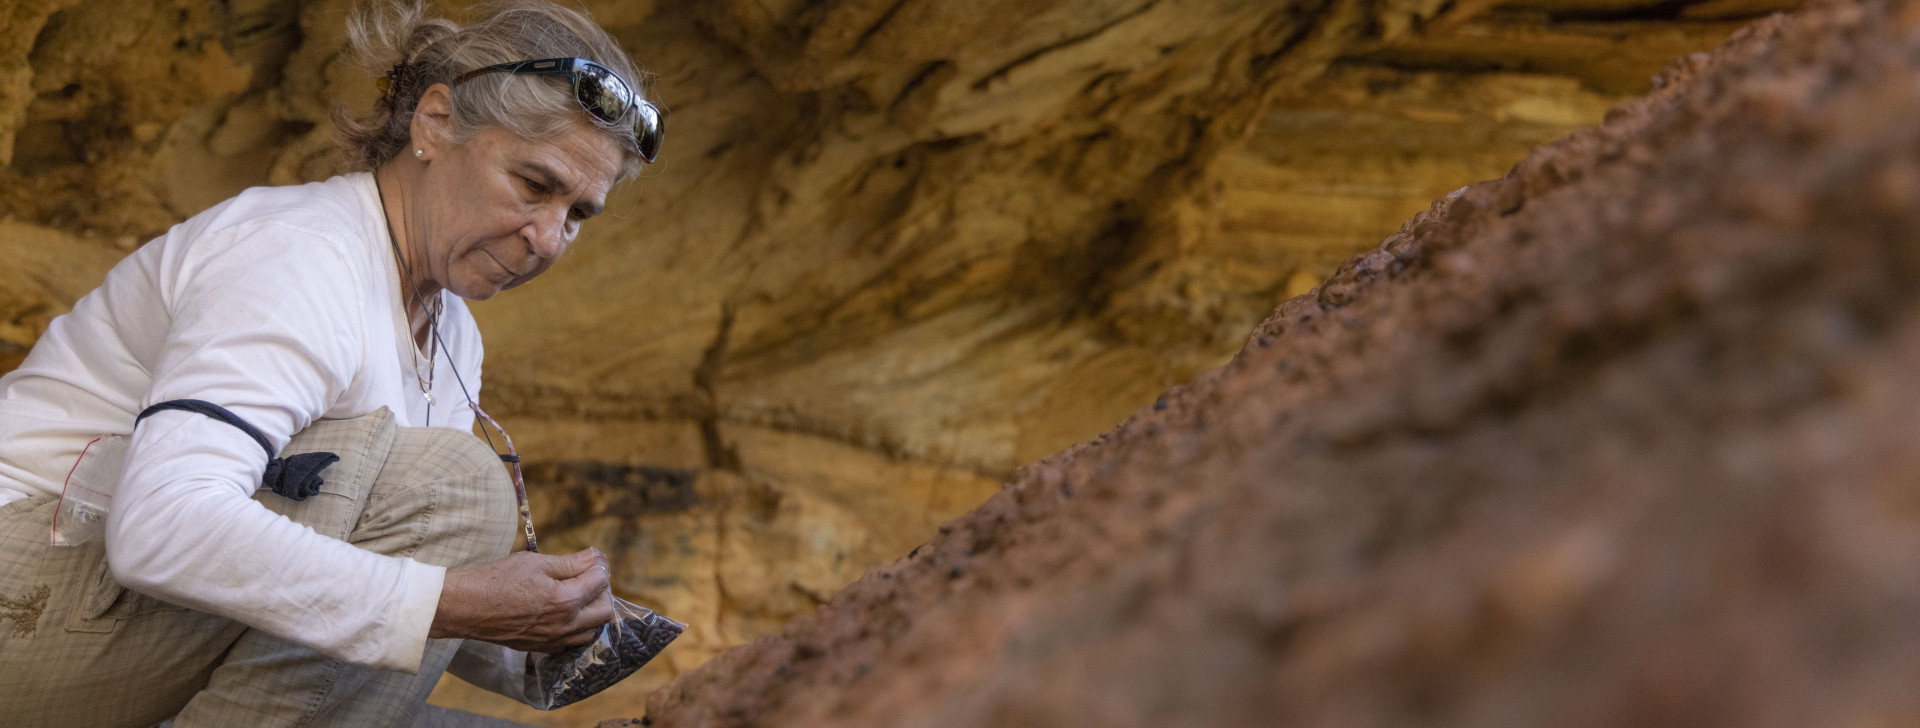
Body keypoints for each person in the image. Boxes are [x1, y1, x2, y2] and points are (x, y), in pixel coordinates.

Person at [0, 0, 663, 724]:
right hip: (25, 586)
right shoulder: (302, 256)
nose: (548, 238)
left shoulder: (453, 331)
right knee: (456, 487)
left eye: (577, 214)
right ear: (435, 124)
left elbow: (359, 574)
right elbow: (163, 525)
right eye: (534, 184)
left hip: (107, 623)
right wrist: (457, 600)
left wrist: (544, 633)